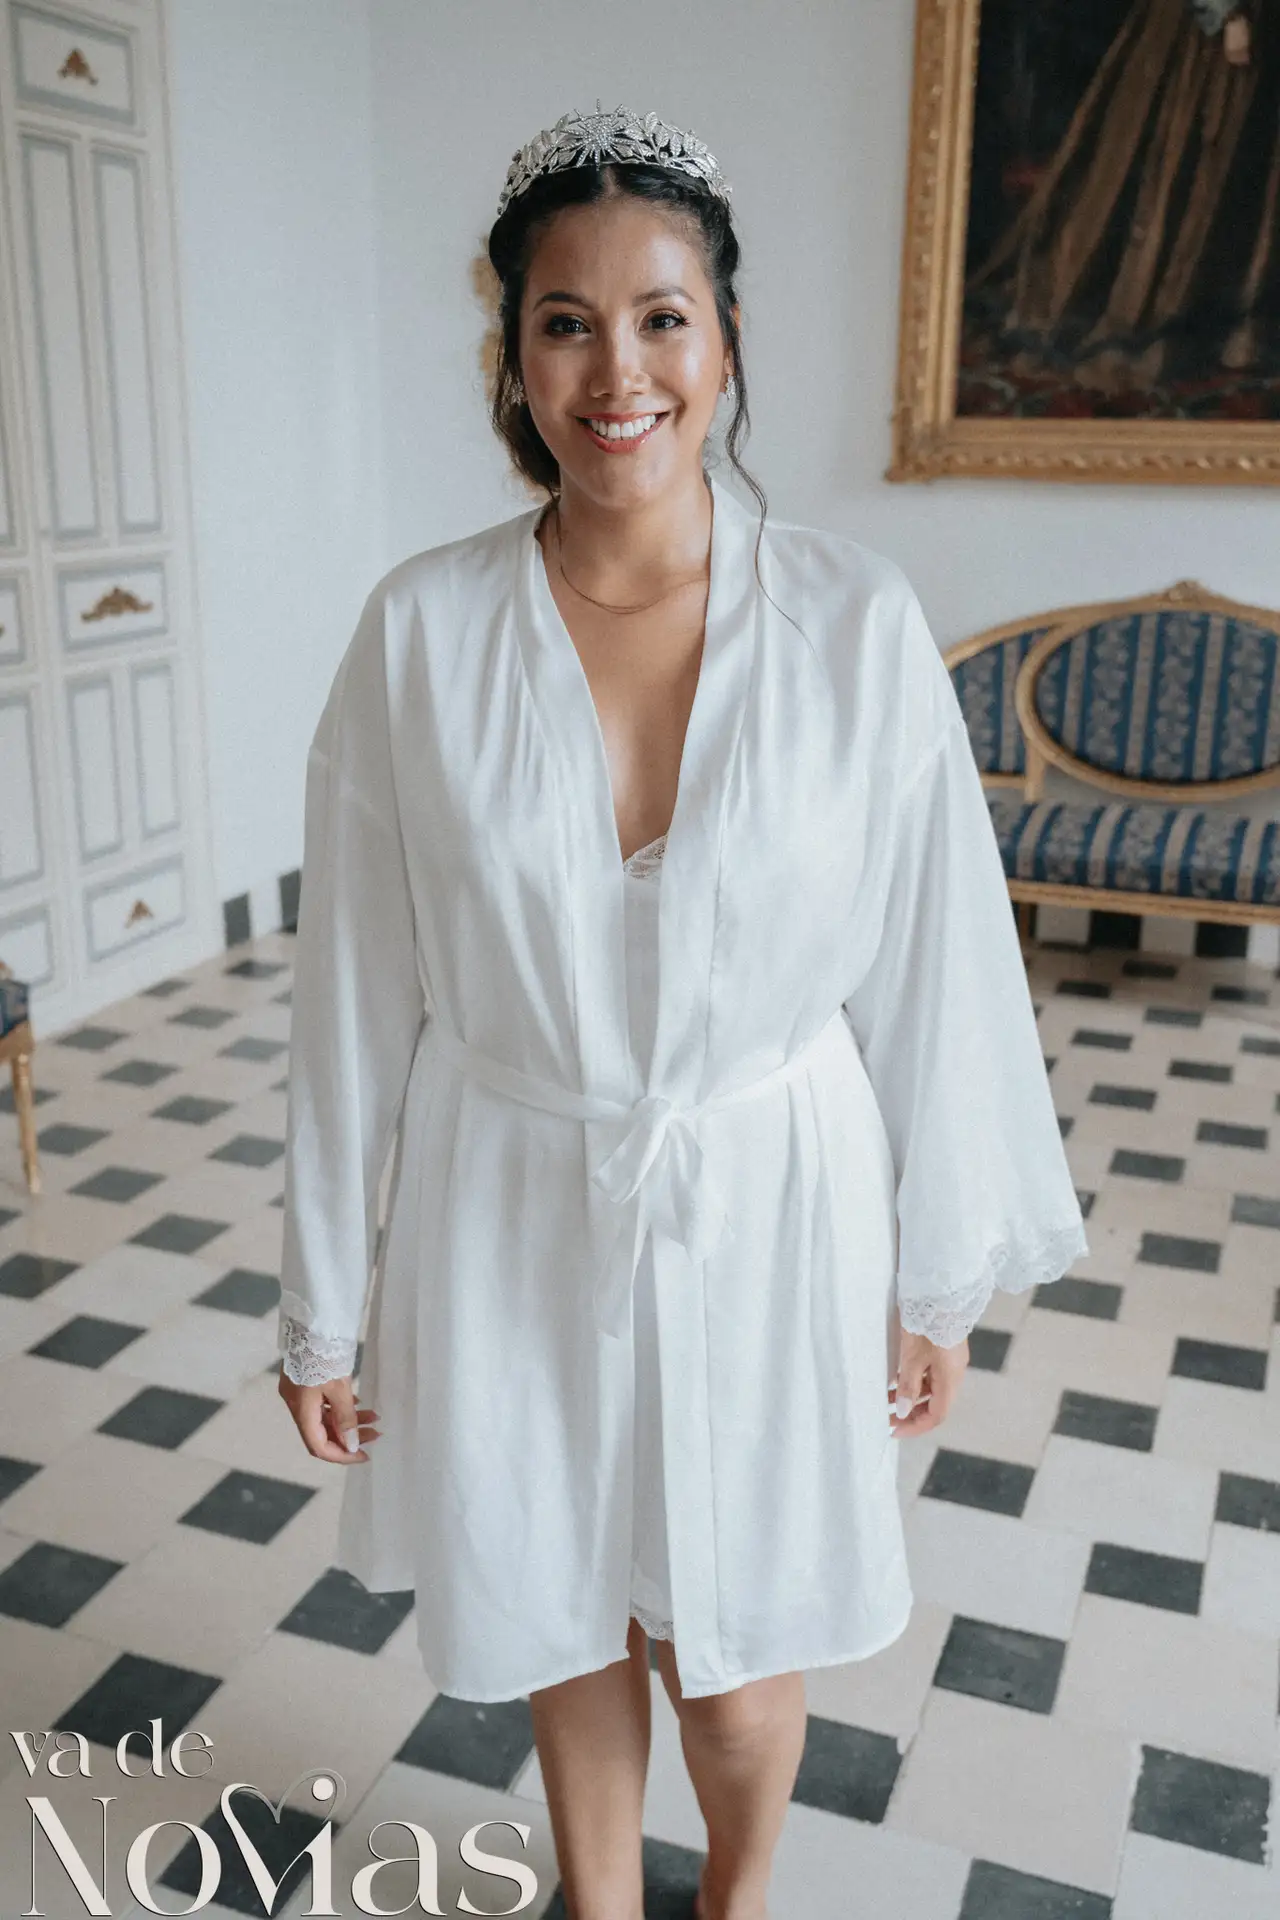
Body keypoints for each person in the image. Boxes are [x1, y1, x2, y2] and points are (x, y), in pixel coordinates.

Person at [275, 106, 1088, 1920]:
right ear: (511, 354)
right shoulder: (420, 634)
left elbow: (941, 961)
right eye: (565, 322)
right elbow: (353, 992)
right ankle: (599, 1902)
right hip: (510, 1181)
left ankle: (736, 1893)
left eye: (662, 318)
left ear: (724, 342)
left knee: (734, 1648)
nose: (617, 371)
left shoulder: (855, 624)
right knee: (555, 1597)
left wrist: (936, 1270)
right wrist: (325, 1295)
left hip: (774, 1186)